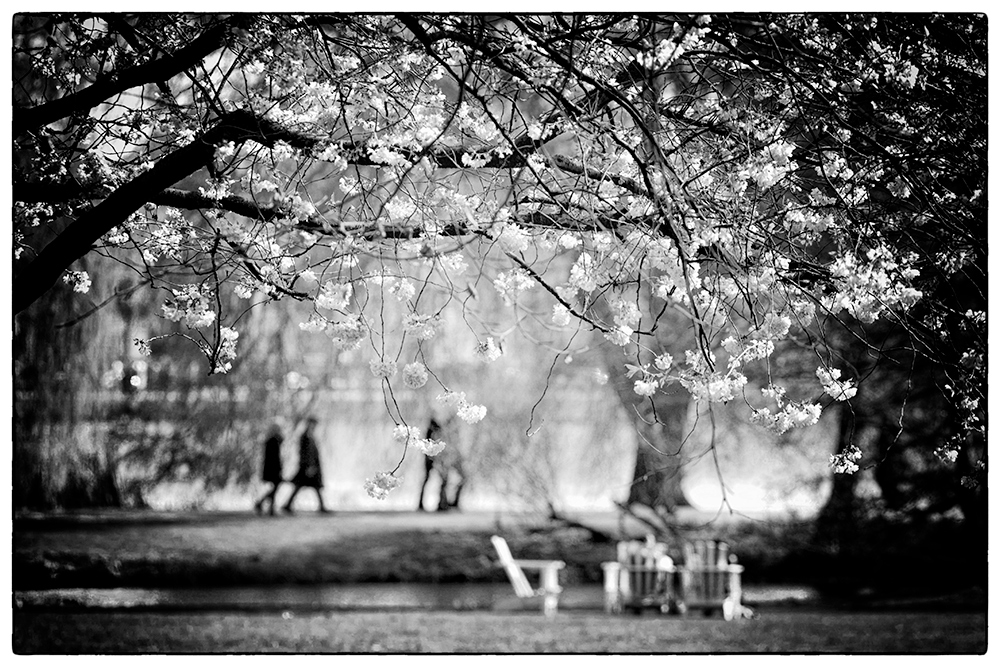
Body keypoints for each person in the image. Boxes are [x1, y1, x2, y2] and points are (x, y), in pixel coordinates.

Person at [282, 416, 329, 514]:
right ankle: (287, 505)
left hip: (311, 466)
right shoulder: (305, 437)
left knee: (312, 487)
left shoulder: (310, 436)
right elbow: (304, 453)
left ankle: (321, 506)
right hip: (307, 467)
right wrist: (309, 466)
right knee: (302, 486)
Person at [254, 423, 284, 516]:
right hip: (273, 468)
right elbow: (272, 457)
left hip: (273, 468)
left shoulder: (274, 440)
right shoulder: (272, 441)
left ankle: (264, 505)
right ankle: (266, 506)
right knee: (275, 487)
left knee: (275, 487)